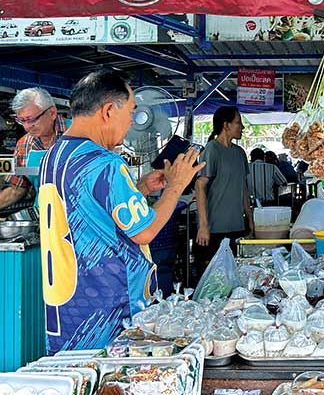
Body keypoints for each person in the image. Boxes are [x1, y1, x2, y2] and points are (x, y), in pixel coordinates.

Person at [37, 70, 203, 352]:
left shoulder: (53, 156)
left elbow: (89, 212)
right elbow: (145, 232)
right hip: (109, 321)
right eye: (131, 113)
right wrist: (176, 186)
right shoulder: (106, 164)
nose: (130, 123)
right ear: (109, 110)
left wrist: (138, 189)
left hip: (66, 319)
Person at [195, 106, 253, 268]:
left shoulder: (240, 153)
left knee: (233, 272)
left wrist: (250, 218)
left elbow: (243, 189)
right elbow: (200, 187)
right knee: (212, 276)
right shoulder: (211, 150)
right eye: (238, 123)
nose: (242, 127)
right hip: (213, 228)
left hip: (236, 226)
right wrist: (203, 226)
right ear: (226, 126)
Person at [0, 87, 67, 210]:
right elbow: (17, 190)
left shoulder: (80, 134)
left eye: (31, 120)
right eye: (22, 121)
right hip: (44, 218)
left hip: (81, 219)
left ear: (52, 113)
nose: (27, 127)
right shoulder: (23, 145)